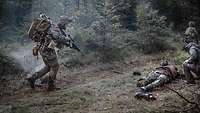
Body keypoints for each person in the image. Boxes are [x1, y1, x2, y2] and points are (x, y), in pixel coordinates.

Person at [26, 14, 73, 91]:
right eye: (67, 22)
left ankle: (32, 78)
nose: (68, 24)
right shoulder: (56, 28)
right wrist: (66, 39)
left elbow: (55, 38)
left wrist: (66, 40)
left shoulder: (56, 27)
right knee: (55, 67)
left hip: (43, 49)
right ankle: (51, 86)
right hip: (47, 50)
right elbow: (56, 37)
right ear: (64, 22)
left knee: (48, 67)